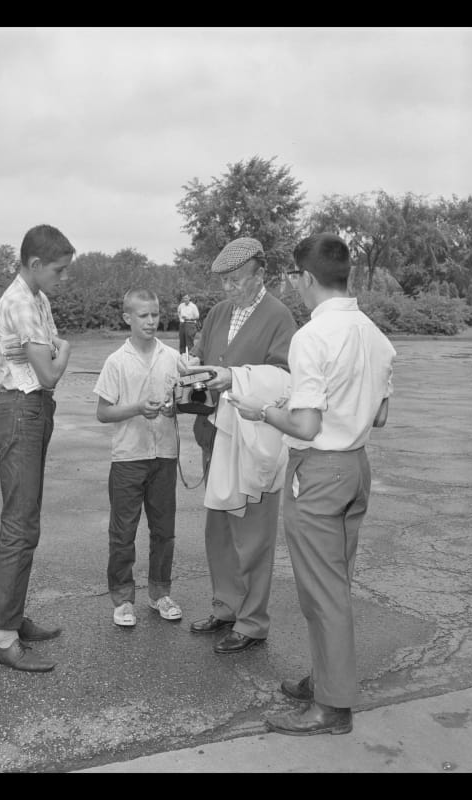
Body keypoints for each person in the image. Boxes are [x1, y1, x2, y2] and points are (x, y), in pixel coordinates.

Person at [228, 232, 396, 736]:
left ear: (304, 278)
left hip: (320, 470)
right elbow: (381, 415)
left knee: (322, 593)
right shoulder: (374, 335)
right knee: (334, 584)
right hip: (356, 467)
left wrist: (263, 411)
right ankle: (327, 676)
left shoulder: (313, 337)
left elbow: (304, 425)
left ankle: (332, 706)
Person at [179, 237, 297, 654]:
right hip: (216, 436)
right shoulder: (217, 313)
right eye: (223, 282)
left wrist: (236, 377)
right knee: (220, 529)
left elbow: (286, 379)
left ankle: (252, 621)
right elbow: (200, 357)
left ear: (260, 273)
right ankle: (226, 606)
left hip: (253, 440)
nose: (228, 289)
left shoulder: (279, 316)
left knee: (253, 533)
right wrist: (189, 370)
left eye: (235, 280)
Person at [0, 224, 75, 673]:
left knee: (28, 520)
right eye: (58, 269)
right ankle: (1, 637)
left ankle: (13, 619)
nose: (62, 277)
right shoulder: (22, 301)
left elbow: (48, 355)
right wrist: (66, 350)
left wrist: (55, 350)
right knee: (19, 524)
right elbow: (51, 370)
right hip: (21, 409)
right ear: (35, 264)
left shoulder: (37, 297)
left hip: (33, 409)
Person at [94, 288, 182, 628]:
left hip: (165, 456)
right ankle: (122, 599)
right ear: (127, 317)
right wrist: (135, 408)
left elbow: (183, 400)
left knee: (164, 530)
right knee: (123, 532)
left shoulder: (172, 357)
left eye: (155, 315)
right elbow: (103, 412)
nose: (151, 321)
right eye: (143, 315)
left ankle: (160, 593)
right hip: (129, 457)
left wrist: (177, 405)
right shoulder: (116, 361)